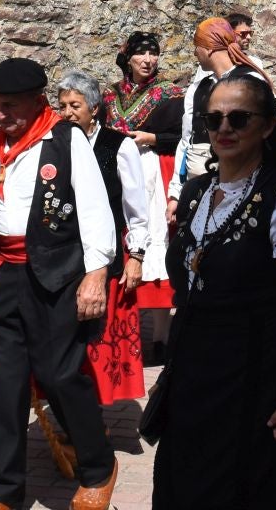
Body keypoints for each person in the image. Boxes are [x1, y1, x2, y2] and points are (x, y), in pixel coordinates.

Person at [0, 58, 119, 510]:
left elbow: (95, 210)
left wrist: (96, 275)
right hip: (5, 273)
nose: (0, 115)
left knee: (59, 374)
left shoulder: (66, 140)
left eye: (10, 106)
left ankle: (98, 469)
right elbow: (0, 205)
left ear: (38, 101)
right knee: (3, 381)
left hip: (56, 274)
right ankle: (3, 491)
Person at [148, 69, 276, 510]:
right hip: (192, 373)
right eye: (214, 119)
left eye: (239, 118)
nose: (224, 128)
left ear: (266, 127)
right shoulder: (195, 193)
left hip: (254, 374)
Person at [57, 72, 150, 408]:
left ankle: (94, 415)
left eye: (75, 105)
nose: (67, 112)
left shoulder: (119, 146)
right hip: (66, 256)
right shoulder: (56, 145)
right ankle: (74, 409)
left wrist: (136, 256)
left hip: (107, 258)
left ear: (94, 108)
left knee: (99, 337)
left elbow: (137, 209)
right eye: (63, 106)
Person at [108, 31, 177, 330]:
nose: (148, 60)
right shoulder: (110, 95)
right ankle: (125, 325)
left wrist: (153, 138)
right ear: (128, 58)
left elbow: (184, 137)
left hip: (153, 170)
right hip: (117, 172)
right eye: (141, 53)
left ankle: (160, 334)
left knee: (154, 236)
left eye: (154, 53)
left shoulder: (170, 94)